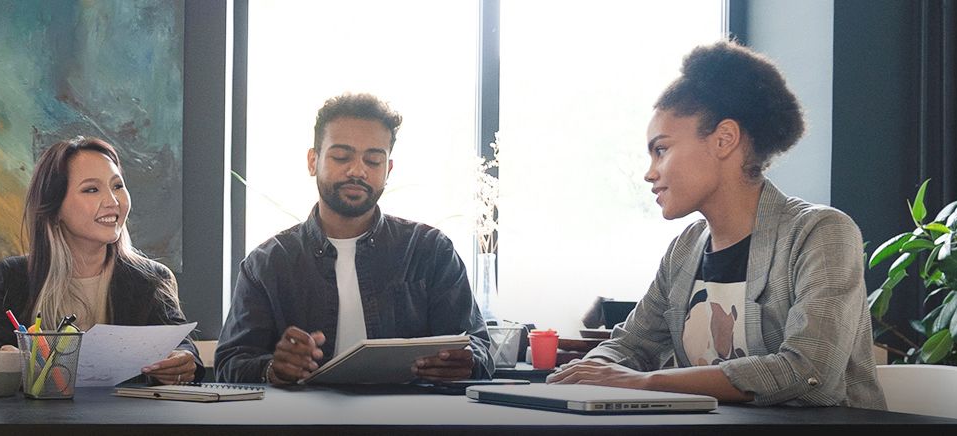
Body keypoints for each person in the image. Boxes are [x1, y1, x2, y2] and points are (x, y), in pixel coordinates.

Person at [549, 41, 884, 409]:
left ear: (725, 139)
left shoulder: (819, 233)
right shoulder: (686, 248)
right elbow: (631, 345)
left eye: (661, 149)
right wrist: (590, 370)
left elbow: (808, 373)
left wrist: (647, 382)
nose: (649, 173)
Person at [215, 93, 493, 385]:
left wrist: (466, 362)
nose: (357, 171)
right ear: (313, 161)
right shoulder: (268, 263)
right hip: (304, 425)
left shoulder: (430, 250)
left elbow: (478, 345)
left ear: (388, 170)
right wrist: (273, 368)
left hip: (410, 423)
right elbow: (230, 363)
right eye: (341, 157)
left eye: (373, 160)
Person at [0, 137, 200, 385]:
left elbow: (183, 347)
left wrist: (182, 359)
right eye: (91, 189)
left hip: (130, 421)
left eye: (117, 186)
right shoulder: (12, 277)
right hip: (37, 421)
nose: (113, 201)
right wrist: (6, 360)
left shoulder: (152, 279)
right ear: (54, 209)